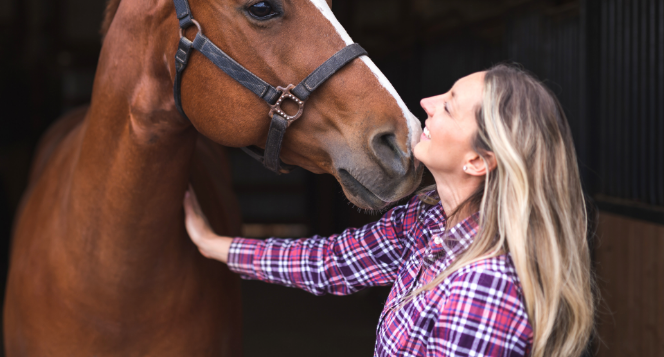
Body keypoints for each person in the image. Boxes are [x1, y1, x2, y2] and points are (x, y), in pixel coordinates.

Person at [183, 64, 595, 357]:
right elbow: (331, 262)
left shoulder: (482, 287)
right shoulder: (429, 218)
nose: (427, 102)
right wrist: (212, 244)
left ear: (477, 161)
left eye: (448, 106)